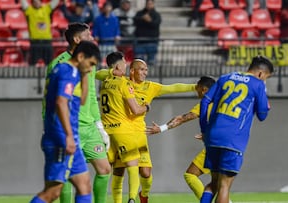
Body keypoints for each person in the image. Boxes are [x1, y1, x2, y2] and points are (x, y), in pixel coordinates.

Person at [96, 59, 197, 203]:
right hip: (124, 133)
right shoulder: (122, 82)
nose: (145, 73)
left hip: (140, 134)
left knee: (145, 172)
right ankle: (125, 199)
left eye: (146, 70)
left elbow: (173, 88)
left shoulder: (151, 87)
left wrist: (195, 87)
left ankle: (144, 194)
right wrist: (113, 71)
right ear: (132, 71)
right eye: (142, 69)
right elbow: (99, 74)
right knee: (119, 171)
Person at [43, 23, 112, 203]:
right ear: (77, 39)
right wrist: (54, 130)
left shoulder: (87, 62)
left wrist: (99, 125)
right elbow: (54, 101)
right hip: (67, 129)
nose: (92, 39)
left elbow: (89, 97)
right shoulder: (59, 65)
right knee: (60, 183)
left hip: (89, 128)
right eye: (88, 35)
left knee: (104, 169)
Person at [30, 40, 101, 203]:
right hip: (61, 138)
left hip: (68, 138)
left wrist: (85, 75)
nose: (91, 69)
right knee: (52, 192)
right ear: (81, 56)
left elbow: (82, 101)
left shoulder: (73, 73)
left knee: (84, 186)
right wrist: (68, 136)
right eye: (90, 64)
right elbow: (61, 102)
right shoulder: (67, 71)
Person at [199, 55, 274, 203]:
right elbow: (262, 115)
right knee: (224, 185)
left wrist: (204, 129)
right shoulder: (258, 85)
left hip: (213, 136)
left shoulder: (225, 78)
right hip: (233, 139)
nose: (264, 80)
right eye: (266, 77)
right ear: (260, 74)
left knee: (213, 183)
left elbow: (205, 101)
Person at [145, 76, 216, 201]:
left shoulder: (206, 102)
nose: (197, 93)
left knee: (191, 175)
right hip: (233, 146)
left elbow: (181, 118)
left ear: (204, 90)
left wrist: (161, 128)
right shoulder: (225, 101)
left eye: (198, 90)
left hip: (215, 146)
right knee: (220, 183)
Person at [99, 52, 151, 203]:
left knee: (115, 170)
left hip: (106, 131)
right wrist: (146, 107)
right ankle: (132, 199)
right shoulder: (124, 83)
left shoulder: (105, 81)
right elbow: (135, 110)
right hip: (122, 131)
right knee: (133, 165)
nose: (126, 65)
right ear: (117, 66)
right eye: (123, 63)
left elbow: (96, 73)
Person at [21, 0, 59, 66]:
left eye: (38, 1)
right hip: (35, 42)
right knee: (33, 63)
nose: (37, 3)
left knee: (49, 64)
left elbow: (54, 2)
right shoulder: (29, 10)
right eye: (35, 2)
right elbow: (23, 3)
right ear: (32, 3)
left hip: (47, 41)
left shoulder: (46, 9)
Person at [134, 0, 161, 66]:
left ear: (153, 4)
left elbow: (156, 24)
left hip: (152, 41)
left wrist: (150, 20)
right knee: (139, 63)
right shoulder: (140, 13)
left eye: (150, 4)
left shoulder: (156, 15)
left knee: (151, 62)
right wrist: (142, 18)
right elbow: (135, 21)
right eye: (148, 4)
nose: (149, 5)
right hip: (140, 41)